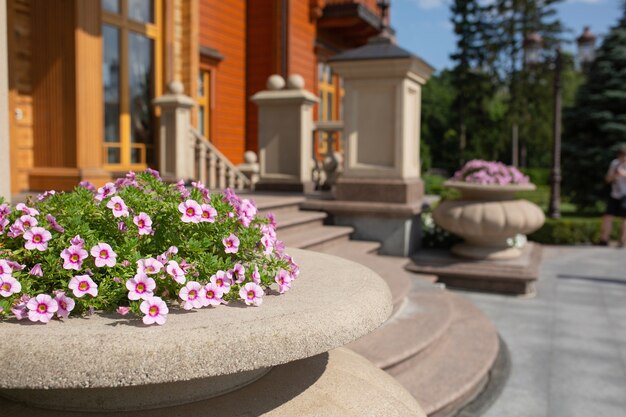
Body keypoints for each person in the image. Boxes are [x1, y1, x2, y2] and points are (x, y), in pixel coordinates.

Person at [599, 146, 626, 246]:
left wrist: (623, 174)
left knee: (624, 218)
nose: (622, 158)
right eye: (621, 156)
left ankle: (622, 240)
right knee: (607, 216)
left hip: (625, 194)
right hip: (614, 194)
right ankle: (604, 239)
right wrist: (614, 175)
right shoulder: (614, 163)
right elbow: (608, 179)